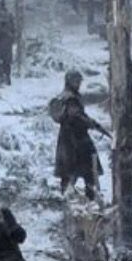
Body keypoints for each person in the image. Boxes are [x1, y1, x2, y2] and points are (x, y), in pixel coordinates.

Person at [48, 70, 110, 199]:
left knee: (69, 170)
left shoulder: (65, 96)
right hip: (77, 139)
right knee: (88, 171)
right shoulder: (70, 98)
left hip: (67, 138)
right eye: (76, 81)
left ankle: (69, 196)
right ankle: (91, 196)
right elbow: (77, 116)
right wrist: (93, 125)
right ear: (70, 81)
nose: (79, 84)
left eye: (79, 81)